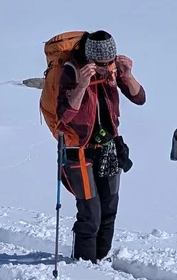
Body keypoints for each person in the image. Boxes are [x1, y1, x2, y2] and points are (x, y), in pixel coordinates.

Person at [56, 30, 146, 262]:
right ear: (90, 59)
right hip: (79, 151)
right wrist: (82, 85)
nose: (107, 68)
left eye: (110, 62)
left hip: (109, 148)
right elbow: (64, 114)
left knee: (109, 208)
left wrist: (127, 75)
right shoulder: (72, 71)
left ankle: (100, 260)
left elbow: (139, 98)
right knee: (90, 213)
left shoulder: (114, 71)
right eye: (101, 64)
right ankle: (84, 265)